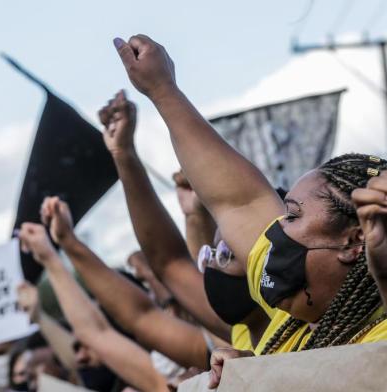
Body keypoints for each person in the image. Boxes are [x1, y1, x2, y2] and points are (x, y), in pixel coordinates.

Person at [112, 34, 387, 388]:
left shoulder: (376, 336)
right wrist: (163, 91)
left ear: (356, 240)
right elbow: (240, 201)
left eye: (292, 216)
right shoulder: (292, 326)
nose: (273, 230)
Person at [97, 90, 270, 352]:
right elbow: (169, 263)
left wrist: (161, 89)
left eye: (226, 253)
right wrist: (123, 154)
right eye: (209, 254)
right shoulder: (245, 338)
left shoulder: (301, 322)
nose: (211, 263)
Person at [18, 223, 169, 392]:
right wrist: (38, 316)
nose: (80, 357)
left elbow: (94, 332)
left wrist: (53, 256)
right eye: (77, 348)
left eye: (88, 347)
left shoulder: (169, 380)